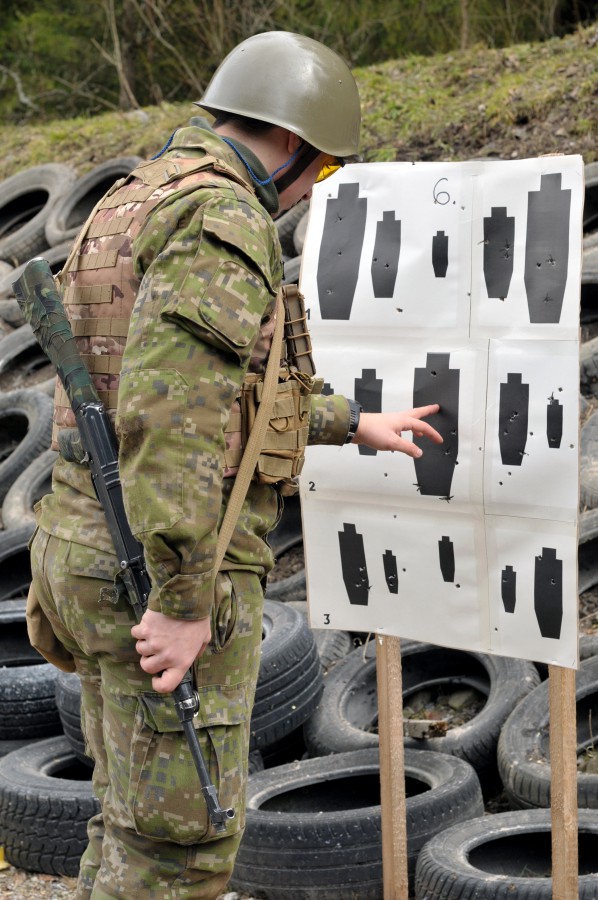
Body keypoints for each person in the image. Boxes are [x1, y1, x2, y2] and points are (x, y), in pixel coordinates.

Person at [29, 30, 442, 900]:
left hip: (83, 548)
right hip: (155, 570)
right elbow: (172, 419)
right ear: (289, 139)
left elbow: (212, 393)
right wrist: (183, 601)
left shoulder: (138, 194)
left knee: (127, 828)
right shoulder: (223, 219)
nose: (314, 188)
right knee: (178, 855)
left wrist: (351, 422)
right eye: (323, 168)